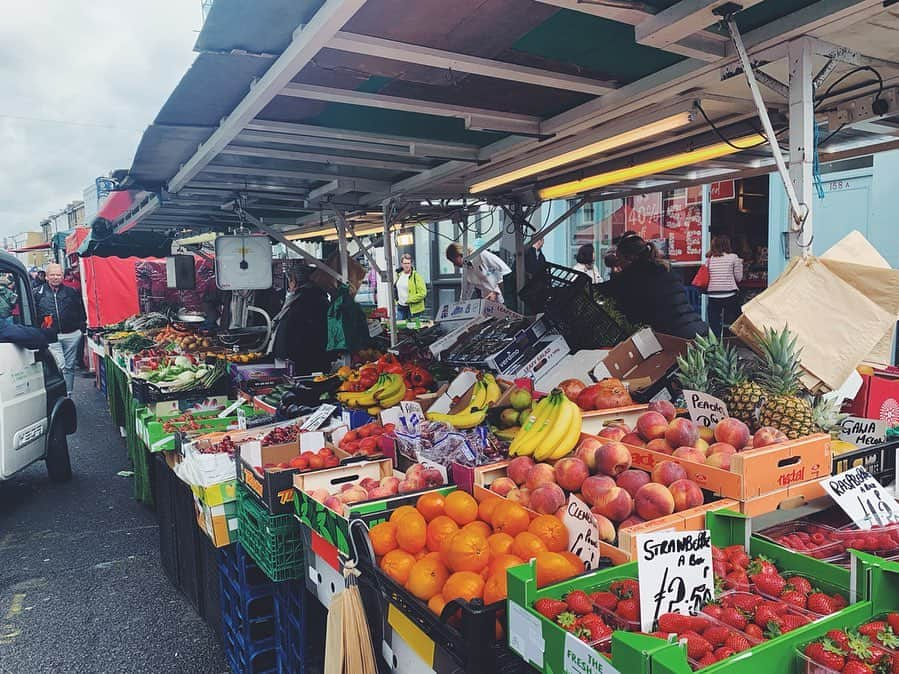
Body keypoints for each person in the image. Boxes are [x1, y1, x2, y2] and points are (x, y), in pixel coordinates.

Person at [601, 234, 708, 339]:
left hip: (674, 338)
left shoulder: (635, 275)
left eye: (620, 259)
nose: (619, 264)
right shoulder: (665, 269)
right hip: (697, 330)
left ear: (629, 258)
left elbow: (611, 290)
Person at [35, 263, 86, 394]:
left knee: (69, 367)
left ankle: (67, 394)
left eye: (58, 275)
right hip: (51, 336)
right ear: (46, 277)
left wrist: (81, 328)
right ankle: (59, 394)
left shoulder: (71, 292)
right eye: (52, 274)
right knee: (60, 365)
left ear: (62, 276)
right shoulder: (38, 293)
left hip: (72, 334)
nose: (55, 277)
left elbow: (80, 310)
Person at [445, 243, 511, 303]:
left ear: (459, 254)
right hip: (488, 302)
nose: (454, 264)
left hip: (505, 298)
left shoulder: (481, 255)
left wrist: (496, 292)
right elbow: (464, 296)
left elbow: (505, 270)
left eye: (453, 260)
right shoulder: (466, 273)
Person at [705, 234, 744, 338]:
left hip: (713, 295)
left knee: (714, 324)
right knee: (738, 320)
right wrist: (740, 264)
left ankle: (716, 344)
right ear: (727, 245)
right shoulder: (733, 257)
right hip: (729, 294)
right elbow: (738, 278)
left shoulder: (709, 259)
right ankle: (739, 339)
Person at [394, 253, 427, 320]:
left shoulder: (416, 276)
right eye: (405, 263)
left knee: (411, 329)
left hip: (412, 309)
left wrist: (409, 300)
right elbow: (395, 289)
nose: (407, 265)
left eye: (408, 263)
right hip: (400, 307)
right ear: (401, 264)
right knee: (400, 327)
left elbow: (423, 293)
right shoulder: (398, 275)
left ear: (411, 264)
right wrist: (396, 301)